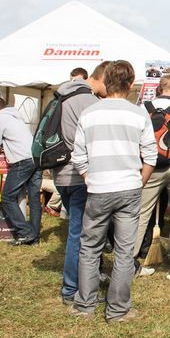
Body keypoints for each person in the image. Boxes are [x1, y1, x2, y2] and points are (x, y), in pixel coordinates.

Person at [69, 60, 157, 323]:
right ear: (131, 85)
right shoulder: (138, 113)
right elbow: (150, 155)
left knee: (90, 247)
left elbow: (78, 155)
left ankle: (85, 305)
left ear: (105, 82)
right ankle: (118, 309)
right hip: (128, 188)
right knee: (124, 250)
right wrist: (139, 181)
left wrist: (89, 177)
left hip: (99, 188)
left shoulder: (90, 113)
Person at [51, 68, 100, 305]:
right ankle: (72, 288)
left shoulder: (63, 94)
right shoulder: (88, 100)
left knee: (78, 230)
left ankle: (86, 277)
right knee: (80, 234)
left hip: (60, 172)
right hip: (79, 174)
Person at [135, 74, 170, 272]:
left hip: (150, 165)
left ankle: (131, 255)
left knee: (142, 212)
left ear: (159, 88)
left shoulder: (143, 108)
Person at [0, 97, 42, 246]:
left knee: (7, 198)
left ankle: (25, 232)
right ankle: (34, 236)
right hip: (35, 157)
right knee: (34, 199)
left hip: (22, 160)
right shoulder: (16, 117)